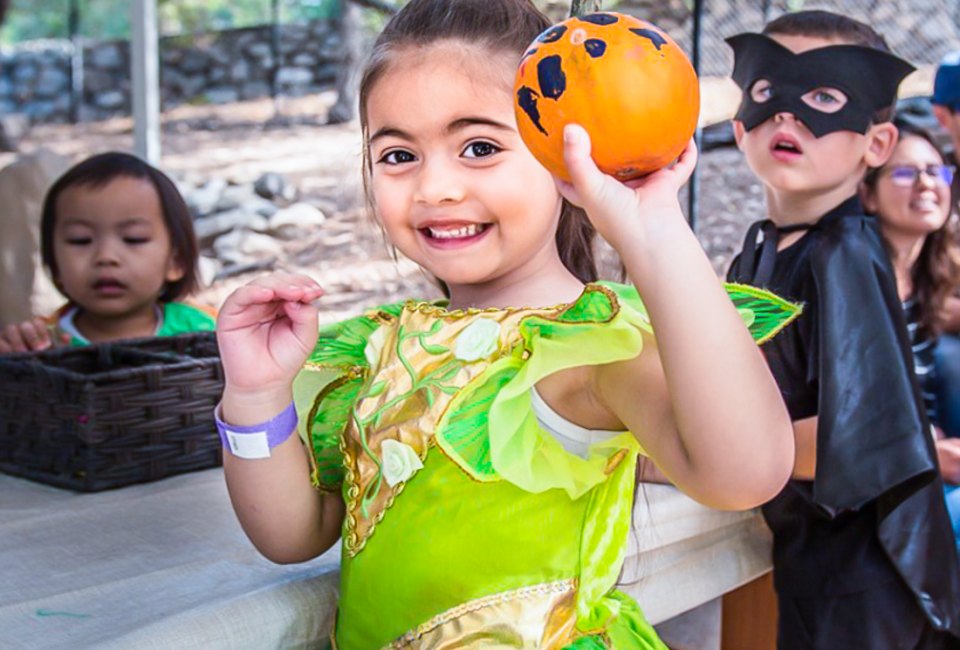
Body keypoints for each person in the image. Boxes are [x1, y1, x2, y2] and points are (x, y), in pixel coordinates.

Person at [215, 1, 799, 647]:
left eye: (480, 147)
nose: (435, 186)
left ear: (565, 157)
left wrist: (655, 231)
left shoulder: (590, 353)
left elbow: (746, 474)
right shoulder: (383, 348)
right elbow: (292, 537)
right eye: (398, 155)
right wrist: (254, 398)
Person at [726, 10, 960, 649]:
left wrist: (705, 454)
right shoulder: (760, 253)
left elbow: (854, 439)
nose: (789, 117)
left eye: (825, 97)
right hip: (816, 566)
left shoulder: (844, 254)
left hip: (869, 582)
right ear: (740, 123)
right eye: (769, 94)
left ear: (875, 144)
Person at [0, 152, 214, 352]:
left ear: (176, 262)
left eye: (133, 238)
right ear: (55, 265)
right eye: (80, 240)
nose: (105, 256)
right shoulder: (41, 343)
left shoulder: (209, 330)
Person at [861, 119, 960, 551]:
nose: (926, 183)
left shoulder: (933, 281)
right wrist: (920, 451)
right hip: (888, 478)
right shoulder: (853, 283)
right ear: (866, 193)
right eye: (905, 172)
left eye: (937, 171)